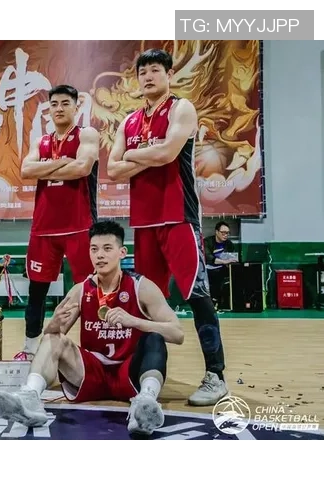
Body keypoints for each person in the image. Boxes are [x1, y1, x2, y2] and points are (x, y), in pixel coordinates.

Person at [106, 48, 228, 406]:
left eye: (155, 70)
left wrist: (132, 155)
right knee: (149, 304)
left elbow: (167, 154)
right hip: (144, 223)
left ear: (169, 75)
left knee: (197, 295)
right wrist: (148, 154)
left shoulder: (181, 109)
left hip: (179, 217)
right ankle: (149, 375)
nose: (148, 76)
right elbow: (112, 169)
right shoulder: (129, 121)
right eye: (142, 71)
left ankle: (216, 376)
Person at [0, 220, 184, 437]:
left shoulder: (142, 287)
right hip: (91, 373)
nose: (100, 255)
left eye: (107, 248)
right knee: (53, 339)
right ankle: (30, 398)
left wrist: (134, 321)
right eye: (94, 249)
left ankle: (145, 404)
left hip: (129, 372)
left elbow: (177, 333)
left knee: (154, 338)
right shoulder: (81, 290)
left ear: (122, 252)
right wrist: (53, 323)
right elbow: (53, 338)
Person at [16, 84, 100, 361]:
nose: (59, 108)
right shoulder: (41, 141)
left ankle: (94, 348)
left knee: (90, 290)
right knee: (37, 291)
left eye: (65, 103)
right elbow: (26, 170)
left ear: (76, 107)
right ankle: (30, 348)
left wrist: (46, 167)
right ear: (49, 109)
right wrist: (62, 161)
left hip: (80, 225)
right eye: (54, 104)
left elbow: (82, 167)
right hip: (44, 228)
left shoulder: (86, 134)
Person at [205, 221, 238, 309]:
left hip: (223, 269)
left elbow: (232, 257)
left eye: (227, 233)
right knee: (215, 276)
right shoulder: (207, 242)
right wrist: (224, 262)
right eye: (223, 233)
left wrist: (231, 261)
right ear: (217, 232)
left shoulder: (229, 244)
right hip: (209, 269)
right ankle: (214, 301)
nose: (225, 235)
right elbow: (209, 258)